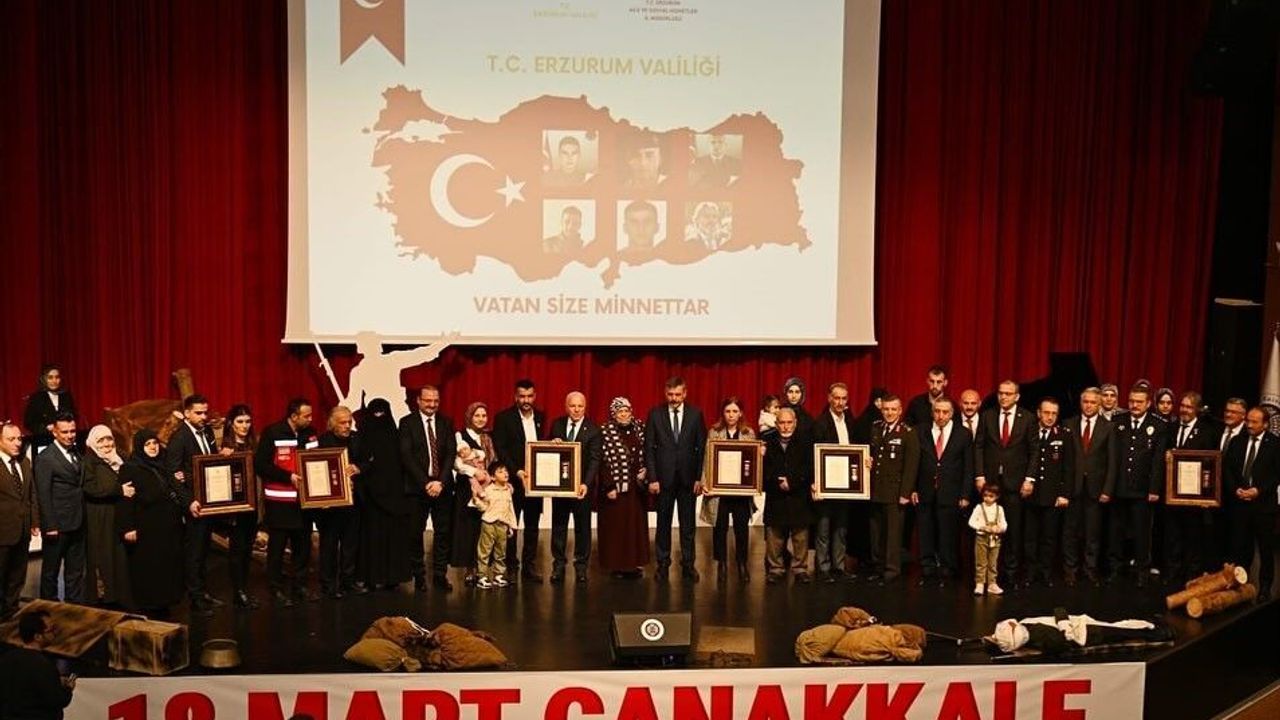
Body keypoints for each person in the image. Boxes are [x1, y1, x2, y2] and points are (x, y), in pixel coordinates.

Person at [255, 398, 320, 607]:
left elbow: (318, 460)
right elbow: (261, 465)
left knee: (303, 546)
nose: (310, 419)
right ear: (293, 416)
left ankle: (300, 586)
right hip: (279, 501)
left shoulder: (310, 433)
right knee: (277, 548)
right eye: (306, 416)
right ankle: (275, 589)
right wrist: (287, 477)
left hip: (304, 502)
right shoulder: (273, 432)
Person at [115, 429, 188, 614]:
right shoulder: (130, 468)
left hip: (168, 525)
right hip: (146, 527)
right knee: (149, 567)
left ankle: (165, 601)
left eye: (154, 443)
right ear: (140, 446)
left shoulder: (164, 464)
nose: (153, 447)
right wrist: (128, 527)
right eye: (147, 444)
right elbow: (126, 501)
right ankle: (148, 604)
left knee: (166, 565)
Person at [645, 376, 707, 582]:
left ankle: (688, 564)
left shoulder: (696, 414)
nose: (673, 398)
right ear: (665, 393)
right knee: (663, 524)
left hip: (688, 480)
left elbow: (702, 449)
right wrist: (652, 478)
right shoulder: (655, 414)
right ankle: (663, 564)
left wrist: (699, 478)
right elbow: (649, 449)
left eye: (677, 394)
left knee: (688, 526)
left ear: (685, 393)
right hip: (663, 480)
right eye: (670, 394)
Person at [163, 394, 219, 615]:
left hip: (209, 501)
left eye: (205, 412)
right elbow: (172, 473)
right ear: (186, 413)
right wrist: (188, 502)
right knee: (194, 552)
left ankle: (203, 592)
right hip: (194, 504)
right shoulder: (180, 438)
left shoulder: (207, 432)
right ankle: (195, 599)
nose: (204, 416)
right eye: (198, 413)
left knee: (204, 550)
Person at [975, 380, 1034, 586]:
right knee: (987, 529)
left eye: (1008, 394)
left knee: (1013, 530)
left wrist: (1029, 479)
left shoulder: (1028, 418)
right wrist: (979, 475)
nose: (1003, 397)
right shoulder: (987, 415)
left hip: (1016, 484)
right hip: (991, 484)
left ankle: (1010, 573)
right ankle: (988, 574)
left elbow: (1034, 450)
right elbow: (979, 446)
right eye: (1001, 393)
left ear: (1017, 396)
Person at [1107, 384, 1167, 588]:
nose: (1134, 405)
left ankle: (1142, 571)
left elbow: (1158, 461)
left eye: (1139, 402)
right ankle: (1115, 569)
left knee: (1142, 533)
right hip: (1120, 487)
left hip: (1142, 490)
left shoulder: (1158, 425)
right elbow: (1112, 458)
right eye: (1131, 401)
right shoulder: (1118, 422)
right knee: (1116, 532)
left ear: (1148, 403)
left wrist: (1154, 489)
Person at [399, 385, 457, 592]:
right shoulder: (407, 423)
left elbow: (451, 453)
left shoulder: (446, 422)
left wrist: (440, 482)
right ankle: (419, 576)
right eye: (428, 401)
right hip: (417, 488)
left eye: (436, 401)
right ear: (418, 401)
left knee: (443, 533)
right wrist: (426, 483)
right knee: (415, 533)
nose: (432, 405)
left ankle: (440, 574)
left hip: (442, 487)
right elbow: (406, 456)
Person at [913, 397, 974, 586]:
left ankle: (948, 570)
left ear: (952, 413)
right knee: (926, 532)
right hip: (925, 491)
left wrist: (965, 494)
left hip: (951, 493)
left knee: (948, 534)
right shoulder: (920, 431)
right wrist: (912, 488)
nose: (941, 416)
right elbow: (914, 462)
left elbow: (968, 467)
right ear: (932, 412)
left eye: (945, 412)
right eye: (937, 411)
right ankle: (928, 569)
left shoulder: (963, 434)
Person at [1162, 391, 1219, 584]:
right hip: (1173, 494)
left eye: (1189, 407)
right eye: (1182, 406)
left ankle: (1191, 576)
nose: (1184, 410)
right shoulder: (1171, 428)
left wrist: (1207, 495)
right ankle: (1172, 572)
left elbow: (1211, 465)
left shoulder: (1207, 432)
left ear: (1197, 410)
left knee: (1193, 537)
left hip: (1195, 496)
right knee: (1172, 535)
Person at [1062, 387, 1117, 587]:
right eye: (1086, 401)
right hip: (1072, 487)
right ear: (1080, 403)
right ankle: (1070, 570)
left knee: (1092, 533)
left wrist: (1107, 490)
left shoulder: (1108, 427)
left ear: (1099, 404)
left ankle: (1090, 570)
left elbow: (1112, 462)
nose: (1089, 405)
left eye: (1093, 402)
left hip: (1096, 489)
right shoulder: (1068, 424)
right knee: (1070, 532)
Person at [492, 380, 545, 581]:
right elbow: (501, 449)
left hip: (535, 483)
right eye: (522, 396)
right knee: (510, 526)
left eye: (529, 396)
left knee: (532, 526)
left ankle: (529, 566)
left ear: (535, 396)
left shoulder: (541, 417)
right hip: (513, 482)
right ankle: (511, 566)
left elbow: (543, 447)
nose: (526, 400)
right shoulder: (503, 418)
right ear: (516, 397)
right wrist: (517, 472)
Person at [356, 398, 411, 589]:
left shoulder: (396, 436)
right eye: (375, 413)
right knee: (372, 538)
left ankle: (393, 577)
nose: (379, 417)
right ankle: (371, 576)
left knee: (393, 538)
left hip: (395, 498)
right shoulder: (362, 437)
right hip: (370, 499)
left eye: (382, 413)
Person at [548, 391, 603, 584]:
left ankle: (581, 567)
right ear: (566, 407)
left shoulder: (593, 429)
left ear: (585, 407)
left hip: (581, 488)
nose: (576, 410)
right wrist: (552, 444)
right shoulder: (557, 425)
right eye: (573, 406)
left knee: (582, 529)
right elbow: (547, 454)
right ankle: (558, 566)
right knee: (559, 527)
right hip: (561, 487)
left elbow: (595, 460)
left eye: (580, 406)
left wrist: (586, 484)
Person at [1021, 398, 1076, 588]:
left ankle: (1045, 573)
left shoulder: (1064, 435)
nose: (1050, 417)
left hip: (1052, 495)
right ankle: (1029, 573)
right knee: (1030, 537)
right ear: (1038, 413)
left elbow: (1069, 468)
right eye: (1046, 412)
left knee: (1049, 538)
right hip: (1031, 495)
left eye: (1054, 413)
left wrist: (1064, 494)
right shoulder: (1029, 431)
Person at [1224, 407, 1277, 600]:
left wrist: (1259, 490)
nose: (1249, 425)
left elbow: (1276, 475)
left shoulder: (1275, 444)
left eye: (1254, 422)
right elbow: (1228, 469)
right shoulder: (1237, 441)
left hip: (1263, 506)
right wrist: (1235, 489)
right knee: (1240, 547)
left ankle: (1265, 587)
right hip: (1240, 505)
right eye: (1248, 421)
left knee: (1265, 549)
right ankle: (1241, 585)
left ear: (1265, 424)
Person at [316, 406, 369, 599]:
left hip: (354, 501)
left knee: (350, 544)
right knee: (329, 544)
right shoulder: (322, 442)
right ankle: (328, 585)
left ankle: (348, 582)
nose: (347, 426)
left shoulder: (357, 438)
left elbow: (369, 461)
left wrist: (358, 468)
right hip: (330, 504)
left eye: (349, 422)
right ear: (332, 424)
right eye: (343, 423)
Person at [34, 413, 85, 603]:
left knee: (75, 570)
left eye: (73, 431)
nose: (70, 435)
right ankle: (48, 608)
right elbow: (43, 493)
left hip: (78, 521)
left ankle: (74, 607)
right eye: (65, 432)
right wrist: (50, 525)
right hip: (57, 524)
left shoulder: (76, 452)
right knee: (51, 571)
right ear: (54, 432)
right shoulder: (46, 458)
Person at [704, 397, 756, 582]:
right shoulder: (714, 432)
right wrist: (706, 483)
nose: (731, 415)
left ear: (740, 413)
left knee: (741, 529)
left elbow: (752, 462)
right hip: (720, 492)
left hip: (740, 492)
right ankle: (722, 564)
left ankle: (742, 563)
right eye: (728, 411)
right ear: (723, 413)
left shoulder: (748, 433)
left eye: (735, 411)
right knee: (720, 529)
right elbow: (707, 459)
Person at [596, 397, 649, 577]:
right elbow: (602, 461)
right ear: (614, 414)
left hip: (636, 487)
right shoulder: (605, 431)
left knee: (634, 527)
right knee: (616, 527)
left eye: (626, 411)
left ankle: (634, 564)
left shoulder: (640, 428)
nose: (624, 414)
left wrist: (646, 470)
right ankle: (617, 565)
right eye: (620, 411)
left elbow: (648, 452)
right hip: (615, 487)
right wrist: (609, 485)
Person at [867, 395, 917, 584]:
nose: (889, 413)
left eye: (893, 409)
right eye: (886, 409)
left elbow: (911, 466)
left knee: (892, 534)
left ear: (900, 410)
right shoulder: (876, 428)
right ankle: (878, 567)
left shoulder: (907, 432)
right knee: (877, 533)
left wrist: (905, 493)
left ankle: (892, 570)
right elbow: (873, 455)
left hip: (895, 491)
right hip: (876, 489)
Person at [81, 425, 133, 607]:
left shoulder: (121, 457)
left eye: (109, 439)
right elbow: (91, 488)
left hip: (118, 513)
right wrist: (119, 490)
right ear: (93, 443)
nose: (106, 444)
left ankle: (120, 594)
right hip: (99, 516)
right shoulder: (89, 462)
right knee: (103, 555)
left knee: (119, 556)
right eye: (101, 440)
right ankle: (104, 596)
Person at [762, 408, 814, 584]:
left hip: (798, 495)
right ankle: (775, 569)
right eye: (782, 422)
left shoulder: (805, 441)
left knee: (800, 535)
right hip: (775, 495)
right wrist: (778, 482)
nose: (785, 426)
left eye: (789, 422)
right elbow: (762, 469)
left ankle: (800, 568)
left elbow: (809, 468)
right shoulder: (766, 441)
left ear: (795, 423)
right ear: (776, 424)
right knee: (774, 535)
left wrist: (792, 482)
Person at [219, 404, 262, 609]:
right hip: (235, 506)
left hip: (253, 505)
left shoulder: (254, 445)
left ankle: (244, 589)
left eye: (248, 421)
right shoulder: (225, 447)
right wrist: (222, 457)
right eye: (240, 422)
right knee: (237, 550)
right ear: (231, 423)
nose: (245, 426)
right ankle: (238, 593)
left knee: (247, 549)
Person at [812, 382, 855, 583]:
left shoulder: (851, 421)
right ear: (829, 398)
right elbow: (814, 455)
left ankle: (839, 566)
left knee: (841, 527)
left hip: (845, 484)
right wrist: (815, 482)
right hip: (825, 483)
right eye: (836, 398)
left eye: (843, 398)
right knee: (823, 528)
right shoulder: (820, 423)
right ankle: (823, 568)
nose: (840, 402)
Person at [451, 402, 495, 587]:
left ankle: (482, 569)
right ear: (469, 417)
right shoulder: (460, 436)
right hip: (466, 489)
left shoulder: (488, 437)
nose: (481, 419)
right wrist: (474, 472)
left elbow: (493, 461)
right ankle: (470, 570)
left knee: (484, 529)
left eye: (484, 415)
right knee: (468, 529)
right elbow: (456, 463)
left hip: (487, 487)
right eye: (477, 415)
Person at [0, 610, 75, 718]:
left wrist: (55, 681)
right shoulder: (43, 664)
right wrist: (68, 689)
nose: (55, 633)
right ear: (37, 636)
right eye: (51, 630)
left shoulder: (6, 659)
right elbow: (57, 700)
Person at [0, 421, 38, 619]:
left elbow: (31, 494)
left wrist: (34, 521)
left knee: (17, 574)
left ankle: (11, 610)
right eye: (11, 439)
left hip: (22, 530)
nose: (17, 443)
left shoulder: (24, 462)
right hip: (2, 531)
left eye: (19, 438)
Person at [474, 461, 519, 589]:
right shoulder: (488, 490)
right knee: (484, 551)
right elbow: (483, 506)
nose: (505, 473)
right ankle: (482, 576)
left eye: (506, 471)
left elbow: (510, 509)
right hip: (489, 523)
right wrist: (476, 500)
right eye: (500, 471)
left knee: (501, 551)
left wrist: (512, 525)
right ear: (493, 477)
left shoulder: (508, 490)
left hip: (502, 524)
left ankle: (498, 575)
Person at [22, 364, 77, 450]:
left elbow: (74, 415)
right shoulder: (37, 398)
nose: (54, 381)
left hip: (66, 439)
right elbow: (29, 422)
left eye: (57, 377)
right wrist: (45, 428)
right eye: (50, 378)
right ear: (44, 379)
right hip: (44, 440)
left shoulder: (66, 396)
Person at [969, 483, 1007, 595]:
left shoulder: (999, 509)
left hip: (995, 539)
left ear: (997, 497)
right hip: (982, 538)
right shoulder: (979, 507)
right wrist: (982, 527)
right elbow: (971, 521)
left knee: (993, 562)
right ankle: (980, 583)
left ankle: (992, 583)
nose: (987, 498)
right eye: (985, 495)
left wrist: (1000, 528)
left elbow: (1004, 523)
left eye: (991, 496)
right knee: (981, 562)